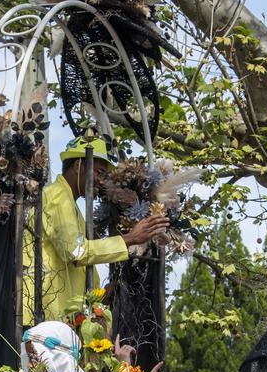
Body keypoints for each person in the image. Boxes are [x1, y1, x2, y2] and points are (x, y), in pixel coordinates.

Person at [23, 138, 168, 326]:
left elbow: (74, 265)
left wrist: (99, 295)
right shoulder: (58, 197)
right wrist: (130, 238)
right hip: (45, 318)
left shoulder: (69, 203)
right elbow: (76, 253)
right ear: (78, 165)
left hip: (58, 319)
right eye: (99, 172)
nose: (100, 181)